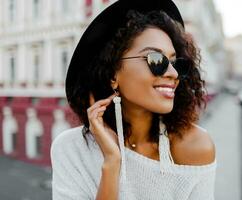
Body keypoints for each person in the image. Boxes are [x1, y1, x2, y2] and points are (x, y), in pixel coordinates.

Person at [50, 0, 217, 199]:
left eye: (175, 63)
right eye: (156, 60)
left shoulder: (196, 147)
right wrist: (112, 163)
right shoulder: (71, 149)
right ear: (113, 75)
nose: (173, 73)